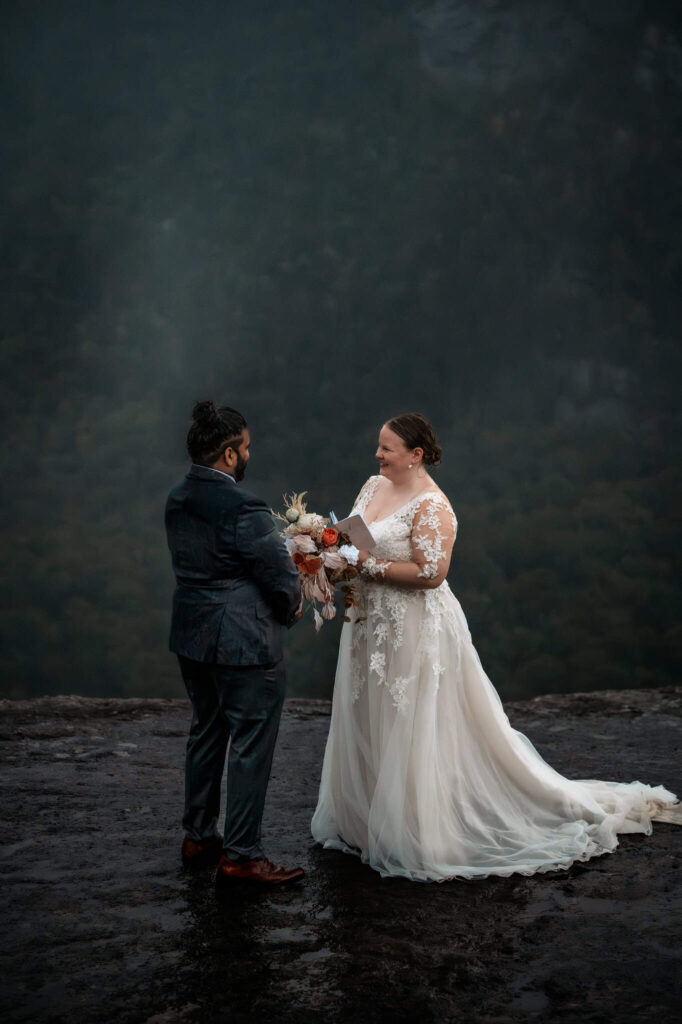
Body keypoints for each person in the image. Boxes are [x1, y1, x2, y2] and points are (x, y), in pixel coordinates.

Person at [311, 412, 682, 881]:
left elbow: (432, 574)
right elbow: (353, 537)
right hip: (368, 623)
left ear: (415, 455)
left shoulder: (434, 506)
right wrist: (326, 554)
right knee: (370, 712)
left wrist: (363, 564)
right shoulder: (372, 485)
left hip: (413, 626)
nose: (377, 455)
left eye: (386, 448)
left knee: (410, 722)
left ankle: (417, 825)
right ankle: (368, 819)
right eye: (379, 446)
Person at [165, 400, 304, 886]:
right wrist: (292, 608)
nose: (249, 454)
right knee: (250, 743)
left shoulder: (178, 497)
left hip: (191, 635)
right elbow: (280, 575)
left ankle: (198, 835)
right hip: (243, 643)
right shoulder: (244, 506)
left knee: (206, 730)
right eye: (245, 447)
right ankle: (242, 855)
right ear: (228, 455)